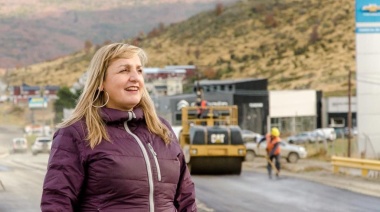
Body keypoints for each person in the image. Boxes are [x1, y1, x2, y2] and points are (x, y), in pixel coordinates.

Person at [40, 43, 197, 211]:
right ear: (100, 82)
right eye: (124, 70)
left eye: (139, 70)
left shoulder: (161, 129)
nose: (135, 78)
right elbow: (57, 203)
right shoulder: (76, 133)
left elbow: (186, 200)